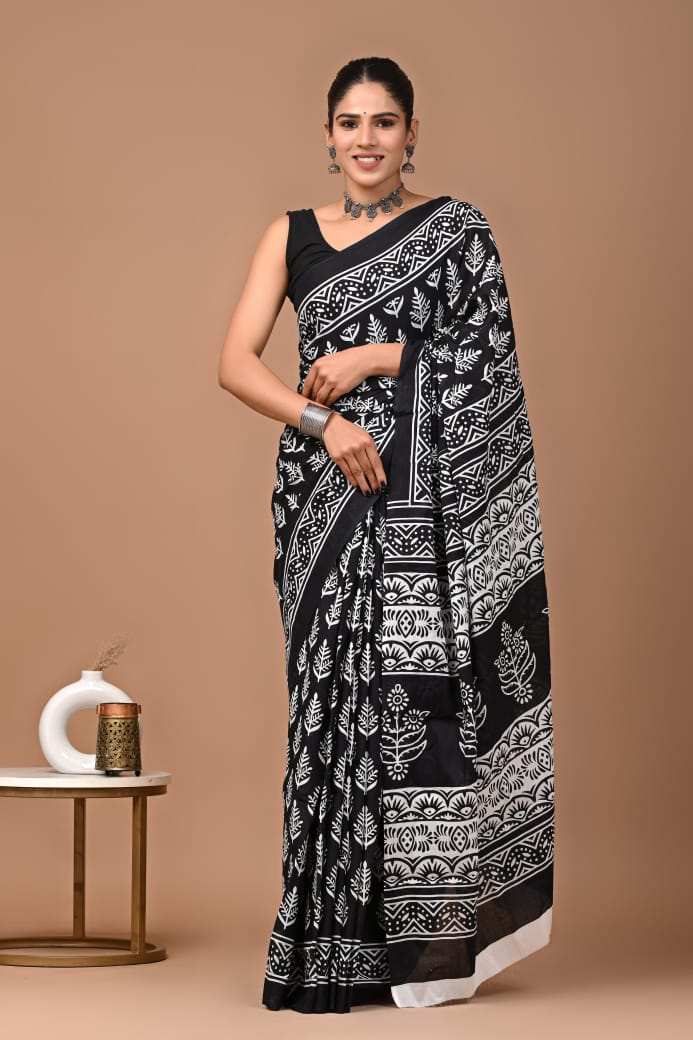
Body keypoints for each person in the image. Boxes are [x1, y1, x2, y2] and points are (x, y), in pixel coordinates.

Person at [218, 55, 554, 1015]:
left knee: (413, 702)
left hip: (427, 504)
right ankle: (325, 944)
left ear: (412, 134)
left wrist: (377, 355)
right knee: (329, 707)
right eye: (349, 122)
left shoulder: (458, 230)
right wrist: (324, 423)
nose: (366, 139)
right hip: (324, 496)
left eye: (384, 122)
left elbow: (490, 359)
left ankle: (413, 944)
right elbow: (235, 363)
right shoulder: (288, 234)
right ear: (328, 138)